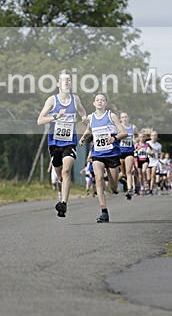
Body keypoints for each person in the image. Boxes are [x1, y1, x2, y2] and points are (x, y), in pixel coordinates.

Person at [36, 69, 87, 218]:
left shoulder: (75, 99)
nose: (66, 82)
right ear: (58, 83)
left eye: (69, 80)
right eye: (63, 80)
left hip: (69, 142)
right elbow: (40, 120)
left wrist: (84, 118)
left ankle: (63, 203)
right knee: (60, 175)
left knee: (66, 171)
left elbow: (83, 112)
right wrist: (55, 117)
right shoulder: (52, 100)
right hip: (55, 143)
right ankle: (62, 188)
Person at [80, 93, 127, 223]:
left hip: (112, 154)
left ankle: (117, 184)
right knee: (99, 179)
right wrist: (83, 137)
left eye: (102, 100)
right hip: (97, 154)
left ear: (105, 103)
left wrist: (115, 138)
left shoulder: (111, 116)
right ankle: (104, 211)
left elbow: (124, 132)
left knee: (113, 187)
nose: (100, 102)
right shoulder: (91, 117)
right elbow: (90, 129)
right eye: (97, 100)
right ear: (94, 103)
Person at [118, 112, 137, 200]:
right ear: (120, 119)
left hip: (129, 152)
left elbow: (136, 136)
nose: (124, 118)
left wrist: (135, 142)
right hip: (120, 152)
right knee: (123, 173)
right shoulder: (118, 127)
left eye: (126, 117)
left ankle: (129, 190)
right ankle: (114, 185)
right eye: (122, 117)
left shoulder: (133, 127)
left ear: (128, 118)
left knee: (129, 172)